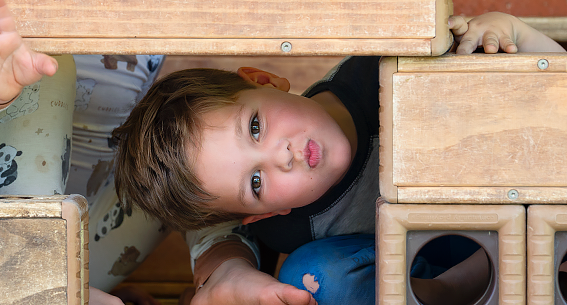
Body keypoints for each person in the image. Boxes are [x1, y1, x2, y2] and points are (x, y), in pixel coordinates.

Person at [110, 11, 566, 305]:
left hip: (533, 179)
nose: (281, 156)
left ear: (265, 80)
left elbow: (550, 101)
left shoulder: (386, 68)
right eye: (255, 182)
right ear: (266, 213)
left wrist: (515, 36)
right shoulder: (283, 225)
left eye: (255, 127)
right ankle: (471, 286)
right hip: (451, 257)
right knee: (311, 278)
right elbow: (220, 244)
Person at [0, 0, 169, 304]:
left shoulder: (154, 17)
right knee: (52, 64)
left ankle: (55, 282)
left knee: (179, 157)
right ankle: (41, 278)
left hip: (79, 237)